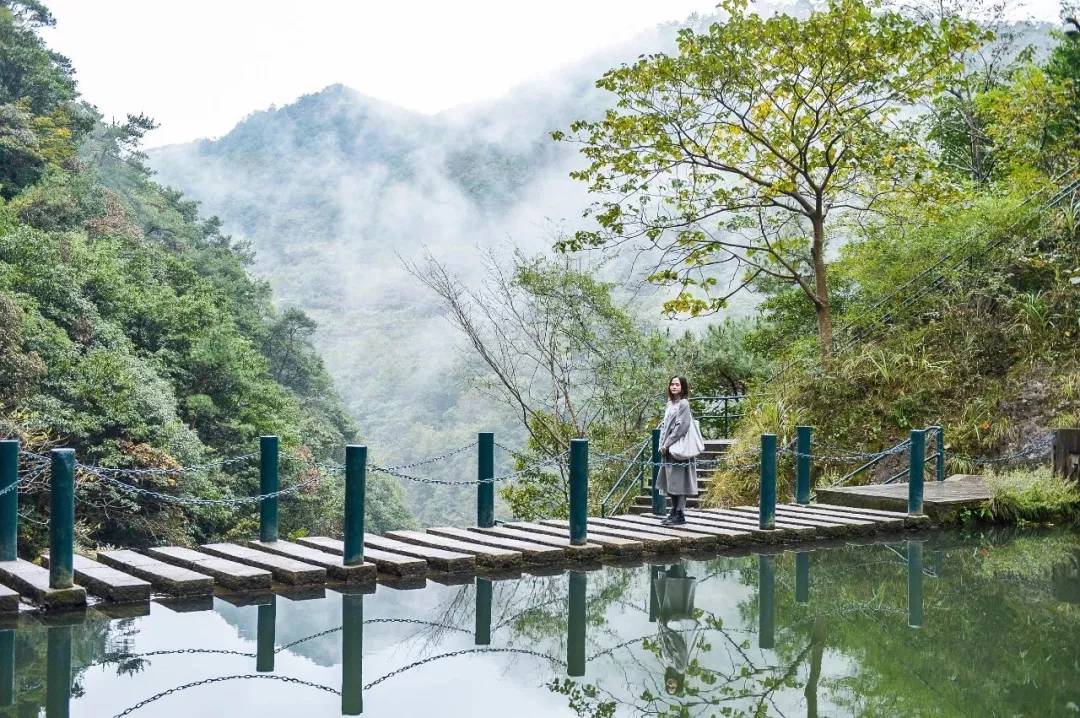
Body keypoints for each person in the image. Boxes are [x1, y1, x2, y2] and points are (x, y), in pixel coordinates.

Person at [651, 563, 701, 698]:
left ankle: (673, 562)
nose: (669, 684)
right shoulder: (680, 667)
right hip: (675, 625)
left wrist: (660, 626)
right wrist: (666, 628)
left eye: (668, 686)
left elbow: (663, 642)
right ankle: (678, 562)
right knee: (677, 590)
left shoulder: (668, 666)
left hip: (667, 622)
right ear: (679, 683)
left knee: (668, 590)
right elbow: (679, 646)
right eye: (673, 686)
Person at [657, 375, 698, 526]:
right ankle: (673, 510)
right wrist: (663, 444)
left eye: (677, 384)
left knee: (679, 482)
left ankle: (680, 513)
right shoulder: (670, 404)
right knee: (670, 482)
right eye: (672, 384)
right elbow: (665, 426)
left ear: (683, 387)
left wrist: (667, 443)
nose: (674, 387)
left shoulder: (684, 404)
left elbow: (682, 427)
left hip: (678, 449)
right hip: (668, 449)